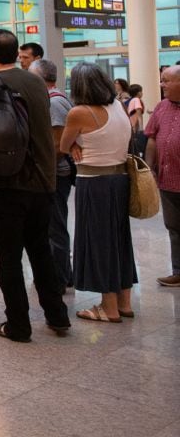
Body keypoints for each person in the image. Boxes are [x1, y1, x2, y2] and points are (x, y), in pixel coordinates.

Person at [0, 29, 69, 342]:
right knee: (41, 251)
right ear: (17, 54)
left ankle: (18, 325)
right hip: (42, 180)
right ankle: (58, 316)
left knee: (9, 257)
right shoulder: (37, 82)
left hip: (6, 181)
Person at [61, 63, 137, 323]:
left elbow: (62, 144)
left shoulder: (79, 112)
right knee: (119, 241)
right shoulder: (118, 107)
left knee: (99, 242)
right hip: (120, 180)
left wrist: (71, 146)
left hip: (94, 182)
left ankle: (108, 307)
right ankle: (124, 302)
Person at [29, 59, 75, 290]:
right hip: (53, 173)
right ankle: (63, 272)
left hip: (55, 174)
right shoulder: (54, 98)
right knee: (53, 225)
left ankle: (59, 277)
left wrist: (41, 171)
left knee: (55, 227)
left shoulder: (54, 103)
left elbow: (58, 145)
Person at [146, 65, 180, 287]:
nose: (162, 84)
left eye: (166, 80)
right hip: (168, 181)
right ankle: (178, 271)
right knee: (174, 227)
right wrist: (149, 167)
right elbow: (151, 137)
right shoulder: (160, 108)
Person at [127, 84, 146, 157]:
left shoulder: (132, 100)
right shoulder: (137, 100)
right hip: (134, 127)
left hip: (131, 126)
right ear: (138, 93)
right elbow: (138, 114)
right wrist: (141, 129)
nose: (142, 93)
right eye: (141, 91)